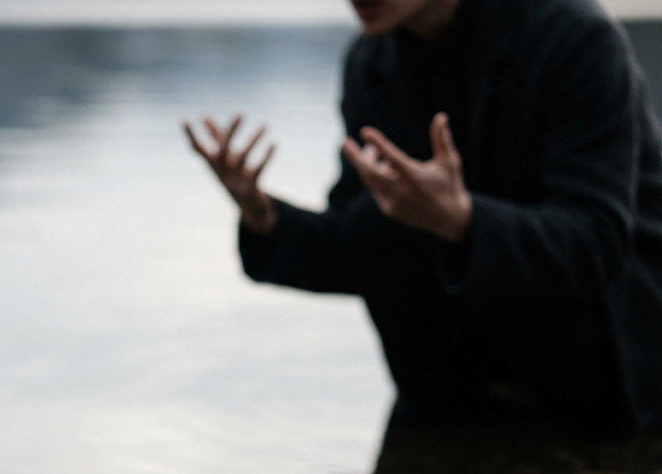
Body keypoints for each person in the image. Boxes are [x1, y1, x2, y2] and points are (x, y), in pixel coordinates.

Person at [185, 0, 662, 435]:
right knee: (378, 217)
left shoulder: (574, 36)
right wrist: (265, 217)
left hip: (608, 361)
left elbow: (597, 243)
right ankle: (445, 426)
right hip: (458, 384)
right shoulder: (370, 61)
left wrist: (464, 221)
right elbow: (358, 244)